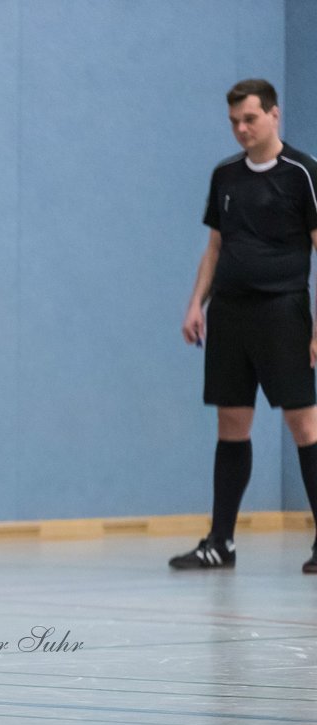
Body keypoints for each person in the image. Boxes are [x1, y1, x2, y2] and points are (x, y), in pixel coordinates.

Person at [172, 79, 317, 572]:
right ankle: (221, 542)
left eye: (249, 119)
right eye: (234, 121)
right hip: (229, 315)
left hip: (283, 312)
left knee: (304, 425)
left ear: (274, 115)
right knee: (231, 424)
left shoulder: (302, 173)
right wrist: (197, 303)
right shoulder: (225, 176)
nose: (241, 129)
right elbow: (215, 248)